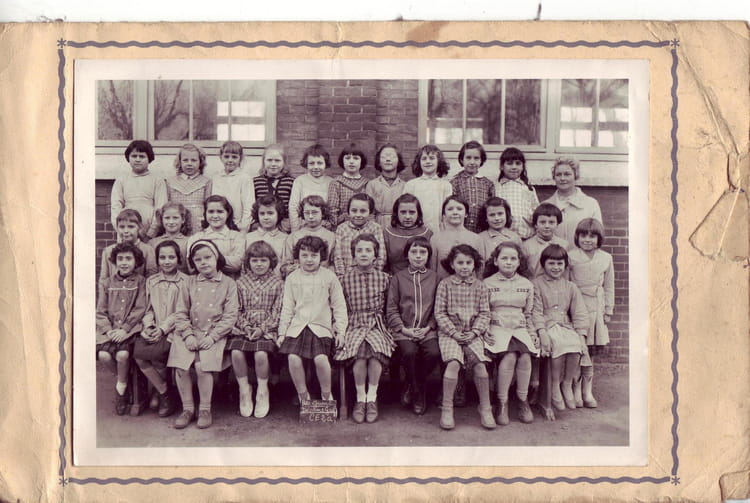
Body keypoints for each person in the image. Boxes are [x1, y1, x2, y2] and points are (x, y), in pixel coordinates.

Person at [169, 240, 239, 429]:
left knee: (202, 367)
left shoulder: (229, 283)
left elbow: (230, 315)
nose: (203, 262)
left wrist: (213, 337)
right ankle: (187, 409)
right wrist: (188, 335)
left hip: (214, 333)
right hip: (189, 331)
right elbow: (180, 312)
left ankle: (205, 409)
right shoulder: (188, 282)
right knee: (181, 367)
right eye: (198, 259)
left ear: (217, 258)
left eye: (208, 257)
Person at [277, 236, 347, 404]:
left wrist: (340, 331)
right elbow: (287, 307)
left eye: (314, 255)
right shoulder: (292, 278)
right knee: (293, 358)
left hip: (320, 328)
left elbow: (339, 306)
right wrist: (282, 333)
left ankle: (326, 395)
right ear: (298, 256)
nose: (309, 259)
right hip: (298, 327)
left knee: (320, 359)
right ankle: (303, 396)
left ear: (321, 256)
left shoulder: (329, 277)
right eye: (304, 255)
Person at [434, 244, 495, 430]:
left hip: (472, 333)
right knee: (453, 364)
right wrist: (453, 332)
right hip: (450, 333)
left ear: (474, 264)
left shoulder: (480, 286)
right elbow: (439, 313)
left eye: (469, 262)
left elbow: (485, 313)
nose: (464, 266)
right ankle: (447, 408)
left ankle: (485, 408)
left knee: (480, 366)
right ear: (452, 264)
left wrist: (475, 332)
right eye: (460, 263)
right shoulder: (445, 284)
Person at [334, 234, 394, 423]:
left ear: (375, 255)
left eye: (368, 250)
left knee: (375, 352)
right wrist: (338, 328)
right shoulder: (344, 279)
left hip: (377, 324)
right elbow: (339, 307)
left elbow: (390, 307)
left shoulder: (385, 278)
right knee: (360, 353)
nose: (364, 254)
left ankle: (372, 398)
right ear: (353, 255)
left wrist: (389, 327)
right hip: (354, 323)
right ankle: (360, 399)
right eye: (359, 250)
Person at [482, 241, 538, 425]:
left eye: (513, 258)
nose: (508, 262)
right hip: (496, 328)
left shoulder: (526, 284)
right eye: (504, 258)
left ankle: (522, 401)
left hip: (519, 329)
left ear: (519, 262)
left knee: (525, 357)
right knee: (510, 357)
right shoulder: (487, 283)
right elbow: (482, 311)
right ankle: (502, 402)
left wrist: (533, 333)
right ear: (496, 261)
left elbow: (528, 313)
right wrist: (484, 330)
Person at [227, 241, 284, 418]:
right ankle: (244, 390)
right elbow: (236, 309)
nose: (259, 264)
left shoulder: (278, 283)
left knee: (260, 353)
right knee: (236, 352)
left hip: (267, 329)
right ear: (248, 262)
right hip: (244, 328)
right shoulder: (240, 283)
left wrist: (262, 328)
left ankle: (262, 390)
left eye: (263, 260)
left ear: (271, 262)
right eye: (255, 260)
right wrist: (245, 326)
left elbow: (278, 312)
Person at [132, 240, 188, 418]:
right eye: (162, 257)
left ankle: (161, 393)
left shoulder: (185, 281)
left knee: (158, 357)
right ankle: (164, 391)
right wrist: (149, 325)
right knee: (139, 355)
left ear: (178, 259)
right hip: (154, 326)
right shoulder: (152, 281)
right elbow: (147, 309)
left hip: (174, 329)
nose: (167, 261)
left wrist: (163, 329)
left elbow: (181, 312)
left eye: (171, 257)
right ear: (157, 260)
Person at [386, 236, 440, 416]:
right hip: (404, 329)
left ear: (428, 256)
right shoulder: (398, 278)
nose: (418, 256)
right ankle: (418, 392)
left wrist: (428, 327)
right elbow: (391, 308)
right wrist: (404, 329)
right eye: (414, 252)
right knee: (409, 352)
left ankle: (415, 384)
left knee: (433, 352)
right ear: (407, 255)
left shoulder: (435, 278)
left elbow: (438, 308)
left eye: (422, 252)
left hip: (427, 329)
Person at [532, 244, 589, 411]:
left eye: (559, 264)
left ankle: (567, 383)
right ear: (543, 264)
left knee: (575, 344)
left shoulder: (571, 286)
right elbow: (535, 311)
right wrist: (542, 332)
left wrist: (581, 337)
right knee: (559, 343)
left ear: (565, 265)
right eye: (551, 263)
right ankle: (555, 385)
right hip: (547, 325)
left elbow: (579, 313)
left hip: (565, 325)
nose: (556, 267)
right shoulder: (536, 284)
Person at [96, 241, 147, 415]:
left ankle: (121, 391)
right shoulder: (106, 283)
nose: (124, 262)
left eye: (128, 259)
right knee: (103, 355)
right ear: (114, 261)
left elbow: (140, 308)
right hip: (110, 330)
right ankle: (123, 381)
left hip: (130, 329)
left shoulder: (141, 281)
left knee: (122, 355)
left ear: (136, 261)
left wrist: (125, 329)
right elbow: (100, 311)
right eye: (120, 259)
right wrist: (108, 330)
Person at [568, 218, 614, 408]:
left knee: (591, 352)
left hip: (596, 309)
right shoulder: (571, 256)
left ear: (599, 238)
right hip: (577, 308)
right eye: (583, 236)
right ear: (577, 237)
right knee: (578, 350)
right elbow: (566, 284)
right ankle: (575, 389)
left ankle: (587, 390)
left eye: (592, 236)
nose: (587, 240)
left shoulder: (606, 258)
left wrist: (608, 310)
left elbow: (609, 285)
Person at [110, 140, 167, 239]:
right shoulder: (121, 179)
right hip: (126, 229)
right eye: (134, 156)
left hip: (149, 228)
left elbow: (160, 208)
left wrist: (151, 233)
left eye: (142, 156)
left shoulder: (157, 180)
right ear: (128, 158)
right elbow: (115, 207)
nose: (137, 159)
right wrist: (121, 230)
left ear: (149, 158)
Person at [543, 156, 603, 245]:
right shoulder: (545, 205)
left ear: (576, 175)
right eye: (558, 174)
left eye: (567, 174)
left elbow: (597, 237)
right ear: (554, 177)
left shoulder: (591, 204)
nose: (562, 178)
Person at [160, 144, 212, 235]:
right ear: (179, 162)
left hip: (198, 223)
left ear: (200, 162)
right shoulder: (170, 181)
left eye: (194, 160)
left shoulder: (206, 181)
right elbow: (166, 206)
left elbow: (208, 207)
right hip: (176, 222)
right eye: (185, 160)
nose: (189, 163)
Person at [187, 195, 245, 276]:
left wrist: (207, 260)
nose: (215, 216)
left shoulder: (237, 237)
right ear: (205, 214)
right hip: (202, 281)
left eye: (220, 211)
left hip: (229, 281)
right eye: (211, 212)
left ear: (227, 213)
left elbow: (237, 264)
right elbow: (191, 267)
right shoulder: (196, 238)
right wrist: (223, 260)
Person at [280, 195, 336, 277]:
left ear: (323, 213)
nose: (310, 216)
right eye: (307, 213)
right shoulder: (293, 237)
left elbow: (334, 264)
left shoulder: (331, 237)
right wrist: (290, 268)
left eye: (314, 212)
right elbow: (285, 265)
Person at [333, 193, 386, 278]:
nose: (358, 215)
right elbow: (338, 256)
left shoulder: (376, 228)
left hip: (372, 277)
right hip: (347, 276)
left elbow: (381, 256)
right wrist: (342, 276)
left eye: (363, 211)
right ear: (348, 212)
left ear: (370, 212)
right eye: (354, 211)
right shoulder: (341, 229)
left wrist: (375, 275)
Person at [403, 144, 453, 234]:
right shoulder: (411, 185)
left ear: (439, 161)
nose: (428, 161)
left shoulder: (445, 185)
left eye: (432, 158)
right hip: (416, 230)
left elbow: (448, 211)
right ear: (419, 162)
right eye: (424, 159)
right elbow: (406, 208)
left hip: (438, 230)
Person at [430, 196, 483, 279]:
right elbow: (432, 269)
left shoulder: (477, 239)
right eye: (450, 209)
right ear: (444, 214)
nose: (455, 212)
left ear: (466, 214)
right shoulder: (435, 239)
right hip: (443, 286)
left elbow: (480, 271)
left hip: (471, 286)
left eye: (459, 209)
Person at [99, 209, 157, 283]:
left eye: (131, 227)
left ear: (139, 227)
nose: (126, 231)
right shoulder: (108, 251)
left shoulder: (148, 250)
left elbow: (151, 279)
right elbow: (103, 280)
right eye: (122, 227)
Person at [493, 147, 538, 239]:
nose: (514, 167)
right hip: (503, 237)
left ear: (523, 166)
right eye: (509, 163)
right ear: (502, 166)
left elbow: (536, 212)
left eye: (518, 163)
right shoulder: (496, 188)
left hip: (526, 236)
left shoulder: (529, 189)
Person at [450, 140, 495, 232]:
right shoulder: (455, 182)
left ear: (481, 160)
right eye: (468, 158)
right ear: (462, 160)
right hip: (460, 231)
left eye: (476, 158)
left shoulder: (488, 184)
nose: (472, 162)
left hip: (482, 231)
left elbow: (492, 209)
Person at [383, 193, 433, 274]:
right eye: (403, 212)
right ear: (396, 213)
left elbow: (430, 264)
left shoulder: (427, 233)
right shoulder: (387, 233)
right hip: (394, 276)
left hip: (421, 277)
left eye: (412, 212)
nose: (407, 217)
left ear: (418, 213)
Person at [211, 141, 255, 233]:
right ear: (221, 157)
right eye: (226, 156)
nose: (230, 160)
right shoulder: (216, 177)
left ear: (240, 158)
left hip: (237, 225)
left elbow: (248, 205)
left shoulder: (244, 178)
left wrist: (244, 227)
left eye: (234, 157)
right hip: (217, 224)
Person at [288, 144, 333, 232]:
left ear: (325, 163)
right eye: (311, 163)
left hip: (324, 228)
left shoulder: (331, 182)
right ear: (306, 164)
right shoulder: (299, 181)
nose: (315, 167)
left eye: (319, 163)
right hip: (303, 227)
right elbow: (293, 207)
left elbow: (332, 208)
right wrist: (295, 231)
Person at [253, 144, 295, 233]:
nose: (273, 164)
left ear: (284, 162)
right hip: (263, 223)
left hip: (284, 225)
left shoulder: (291, 182)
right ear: (263, 161)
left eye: (277, 160)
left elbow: (293, 205)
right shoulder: (256, 182)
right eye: (269, 160)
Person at [521, 203, 570, 279]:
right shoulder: (526, 246)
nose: (547, 226)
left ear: (557, 224)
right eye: (542, 222)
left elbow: (566, 271)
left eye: (551, 222)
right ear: (535, 224)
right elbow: (523, 271)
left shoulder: (564, 244)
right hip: (534, 284)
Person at [327, 143, 370, 227]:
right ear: (342, 160)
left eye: (356, 158)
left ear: (362, 161)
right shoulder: (336, 183)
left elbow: (370, 209)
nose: (351, 161)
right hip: (342, 226)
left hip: (364, 226)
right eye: (347, 158)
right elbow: (332, 210)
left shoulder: (367, 183)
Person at [366, 143, 407, 229]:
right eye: (384, 157)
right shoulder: (372, 184)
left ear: (398, 161)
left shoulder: (405, 186)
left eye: (392, 156)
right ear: (379, 162)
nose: (388, 159)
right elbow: (369, 212)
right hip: (378, 225)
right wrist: (373, 229)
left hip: (399, 226)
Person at [244, 195, 288, 274]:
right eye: (262, 214)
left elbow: (284, 266)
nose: (266, 217)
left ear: (279, 214)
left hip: (276, 280)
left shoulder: (285, 239)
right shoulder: (248, 237)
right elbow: (244, 265)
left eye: (270, 213)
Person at [149, 202, 191, 271]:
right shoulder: (152, 243)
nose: (171, 222)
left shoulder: (189, 241)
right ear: (161, 220)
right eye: (167, 218)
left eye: (175, 218)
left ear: (183, 219)